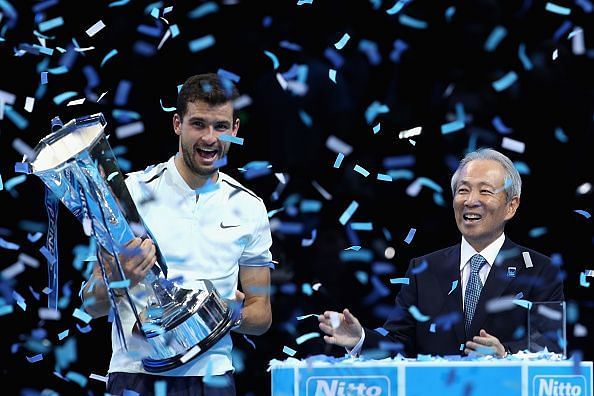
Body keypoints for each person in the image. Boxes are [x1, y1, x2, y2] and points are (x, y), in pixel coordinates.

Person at [82, 72, 274, 395]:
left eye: (221, 126)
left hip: (212, 380)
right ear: (177, 125)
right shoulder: (129, 194)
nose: (210, 138)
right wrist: (118, 278)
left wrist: (227, 313)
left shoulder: (250, 207)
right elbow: (90, 303)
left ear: (235, 130)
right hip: (135, 377)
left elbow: (261, 313)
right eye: (198, 124)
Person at [319, 148, 564, 358]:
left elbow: (549, 348)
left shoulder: (540, 270)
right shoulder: (422, 269)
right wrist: (360, 339)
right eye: (463, 190)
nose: (470, 201)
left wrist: (505, 354)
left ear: (511, 206)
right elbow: (398, 344)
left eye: (485, 191)